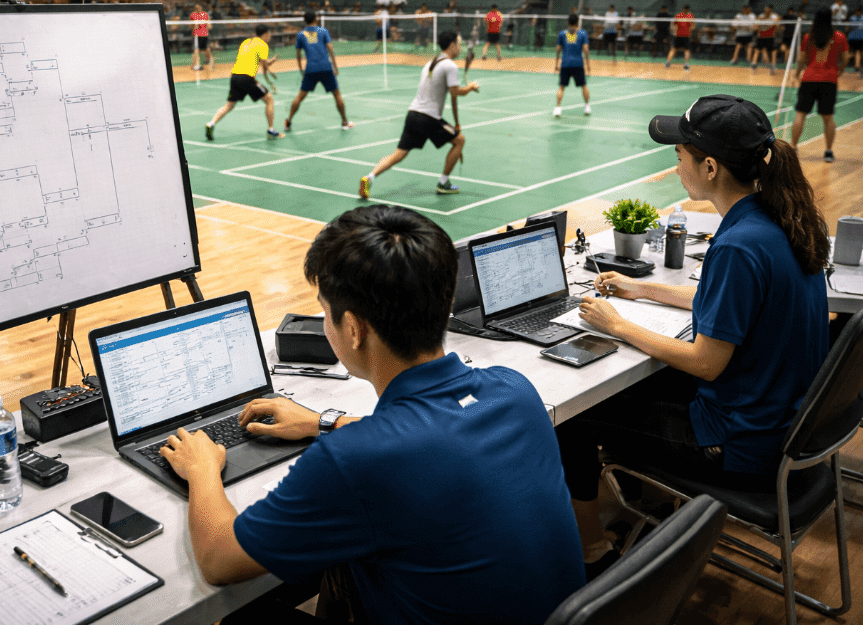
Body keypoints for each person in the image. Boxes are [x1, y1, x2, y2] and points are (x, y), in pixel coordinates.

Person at [160, 204, 586, 624]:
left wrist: (202, 469)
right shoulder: (513, 389)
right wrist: (320, 422)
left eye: (325, 312)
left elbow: (219, 560)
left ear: (354, 328)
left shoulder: (353, 459)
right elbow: (436, 439)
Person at [556, 93, 830, 578]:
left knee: (575, 422)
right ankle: (652, 504)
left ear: (709, 167)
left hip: (741, 445)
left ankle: (593, 550)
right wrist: (640, 289)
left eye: (679, 155)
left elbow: (707, 363)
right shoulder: (775, 221)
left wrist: (618, 324)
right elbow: (729, 303)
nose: (675, 164)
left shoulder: (740, 246)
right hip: (780, 425)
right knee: (643, 385)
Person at [359, 30, 478, 199]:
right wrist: (470, 87)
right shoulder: (450, 66)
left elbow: (452, 96)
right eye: (459, 44)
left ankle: (369, 177)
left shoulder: (431, 63)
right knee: (460, 141)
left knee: (399, 153)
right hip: (428, 118)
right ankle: (443, 183)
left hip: (413, 114)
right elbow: (456, 91)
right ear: (452, 46)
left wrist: (457, 123)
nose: (460, 47)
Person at [206, 24, 283, 141]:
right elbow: (265, 63)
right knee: (269, 99)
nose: (270, 36)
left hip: (235, 77)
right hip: (247, 78)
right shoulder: (262, 45)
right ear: (265, 34)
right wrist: (272, 61)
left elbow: (255, 62)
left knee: (229, 105)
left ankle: (211, 123)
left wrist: (268, 75)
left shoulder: (246, 42)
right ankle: (271, 130)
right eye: (269, 34)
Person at [791, 9, 849, 162]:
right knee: (828, 118)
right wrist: (839, 72)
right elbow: (846, 58)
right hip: (829, 81)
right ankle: (828, 151)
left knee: (800, 115)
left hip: (809, 79)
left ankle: (792, 147)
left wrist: (797, 74)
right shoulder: (839, 37)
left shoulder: (808, 37)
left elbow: (801, 59)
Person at [282, 11, 353, 133]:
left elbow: (298, 55)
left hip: (311, 69)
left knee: (300, 97)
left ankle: (288, 121)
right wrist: (335, 66)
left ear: (305, 21)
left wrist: (300, 69)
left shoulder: (300, 35)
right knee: (337, 94)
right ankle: (345, 122)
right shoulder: (323, 31)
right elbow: (330, 48)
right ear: (316, 19)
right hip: (326, 67)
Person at [554, 13, 591, 118]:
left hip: (565, 64)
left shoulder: (562, 34)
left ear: (568, 22)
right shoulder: (582, 33)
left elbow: (558, 49)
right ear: (577, 22)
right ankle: (587, 107)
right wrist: (588, 64)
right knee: (583, 86)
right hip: (578, 64)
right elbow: (586, 50)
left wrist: (556, 64)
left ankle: (557, 108)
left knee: (561, 87)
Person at [751, 4, 780, 73]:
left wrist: (771, 29)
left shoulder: (775, 17)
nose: (765, 11)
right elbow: (755, 26)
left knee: (774, 51)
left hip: (770, 37)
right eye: (765, 10)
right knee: (757, 50)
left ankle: (773, 65)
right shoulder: (761, 16)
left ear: (771, 10)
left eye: (767, 10)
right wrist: (760, 28)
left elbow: (777, 26)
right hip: (761, 37)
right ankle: (754, 64)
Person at [666, 4, 694, 70]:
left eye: (686, 9)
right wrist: (674, 31)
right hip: (679, 35)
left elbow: (692, 26)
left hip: (684, 35)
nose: (685, 11)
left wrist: (689, 31)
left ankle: (685, 64)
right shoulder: (680, 15)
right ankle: (668, 62)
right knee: (676, 49)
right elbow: (672, 24)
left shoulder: (689, 16)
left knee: (682, 50)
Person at [189, 3, 214, 72]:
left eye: (199, 7)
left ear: (201, 7)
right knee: (196, 50)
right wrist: (195, 25)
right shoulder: (193, 15)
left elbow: (210, 26)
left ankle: (211, 62)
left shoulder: (205, 14)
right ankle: (195, 65)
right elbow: (191, 26)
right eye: (196, 7)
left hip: (204, 35)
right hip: (197, 36)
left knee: (207, 50)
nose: (198, 8)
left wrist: (206, 23)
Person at [847, 5, 863, 77]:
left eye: (858, 11)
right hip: (852, 37)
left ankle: (857, 66)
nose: (857, 12)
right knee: (853, 52)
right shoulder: (852, 18)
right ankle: (857, 66)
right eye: (856, 11)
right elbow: (848, 27)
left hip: (861, 38)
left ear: (860, 11)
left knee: (858, 51)